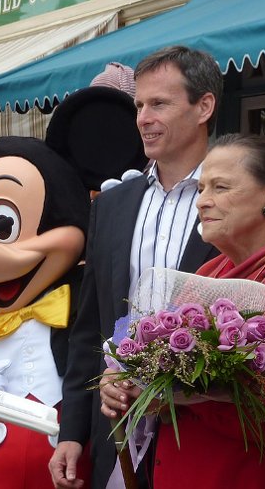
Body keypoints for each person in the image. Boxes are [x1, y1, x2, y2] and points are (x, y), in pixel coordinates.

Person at [99, 134, 265, 488]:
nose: (202, 202)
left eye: (220, 187)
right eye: (200, 189)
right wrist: (129, 384)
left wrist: (179, 394)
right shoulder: (206, 273)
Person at [49, 45, 223, 489]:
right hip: (118, 436)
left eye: (159, 104)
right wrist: (72, 432)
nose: (143, 118)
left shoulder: (234, 200)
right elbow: (89, 328)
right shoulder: (111, 205)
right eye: (139, 105)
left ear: (204, 107)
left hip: (202, 439)